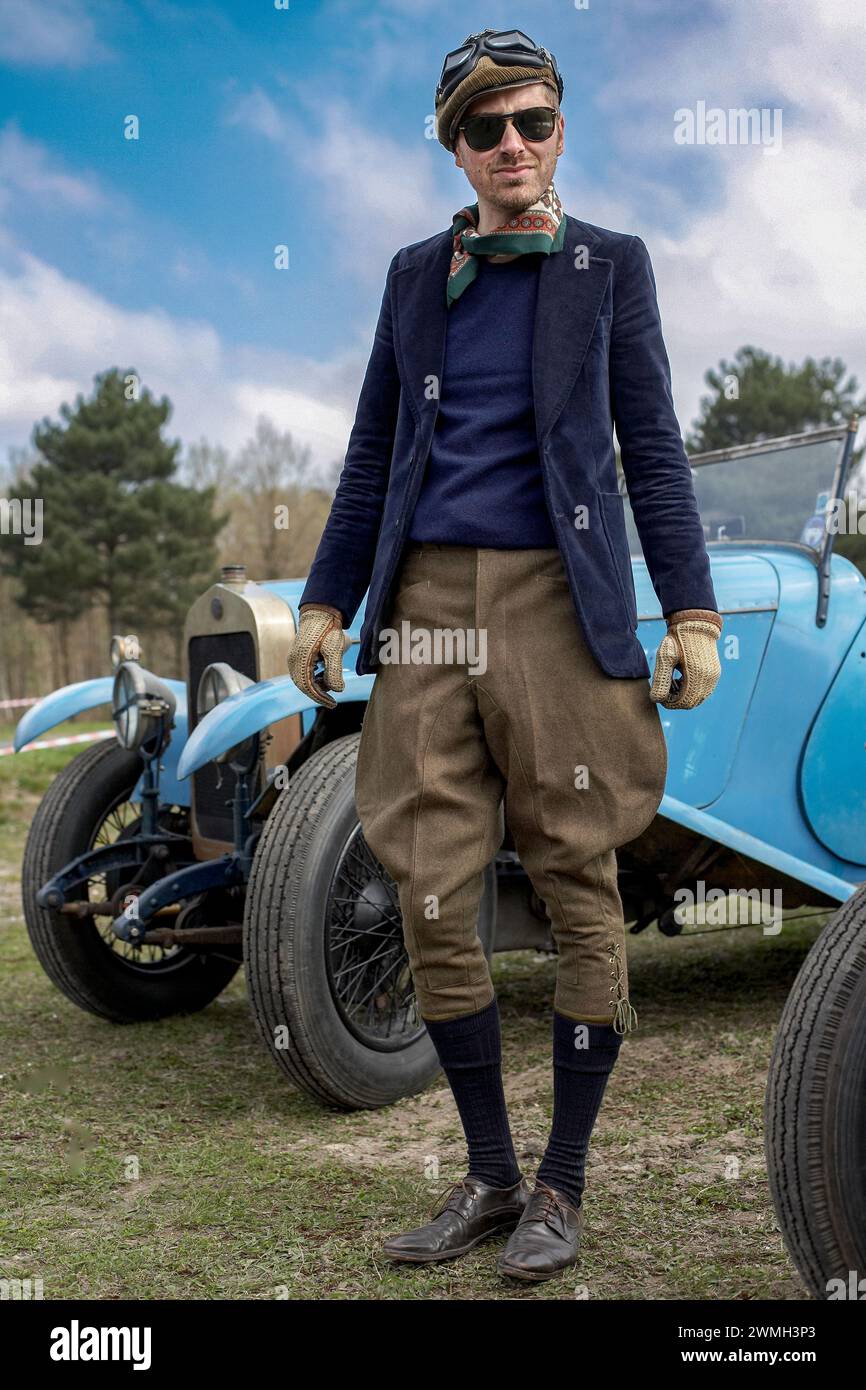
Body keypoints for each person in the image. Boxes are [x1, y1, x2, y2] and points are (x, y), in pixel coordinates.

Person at [287, 27, 722, 1282]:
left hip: (555, 600)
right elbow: (371, 450)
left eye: (531, 121)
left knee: (578, 873)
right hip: (421, 600)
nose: (512, 145)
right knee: (427, 882)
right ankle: (486, 1174)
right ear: (454, 146)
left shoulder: (611, 266)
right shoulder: (413, 274)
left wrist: (686, 611)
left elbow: (652, 445)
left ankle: (560, 1187)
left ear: (561, 129)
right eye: (485, 130)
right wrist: (326, 601)